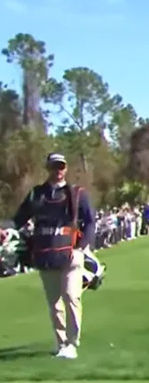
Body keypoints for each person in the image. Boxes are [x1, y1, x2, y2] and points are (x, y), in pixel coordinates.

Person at [0, 153, 95, 359]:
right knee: (54, 303)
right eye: (54, 167)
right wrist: (4, 229)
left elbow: (89, 222)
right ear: (48, 168)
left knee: (71, 296)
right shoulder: (37, 194)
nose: (58, 171)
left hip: (71, 254)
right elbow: (18, 219)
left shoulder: (76, 194)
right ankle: (62, 343)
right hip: (45, 254)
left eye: (61, 166)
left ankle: (72, 342)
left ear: (66, 169)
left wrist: (82, 247)